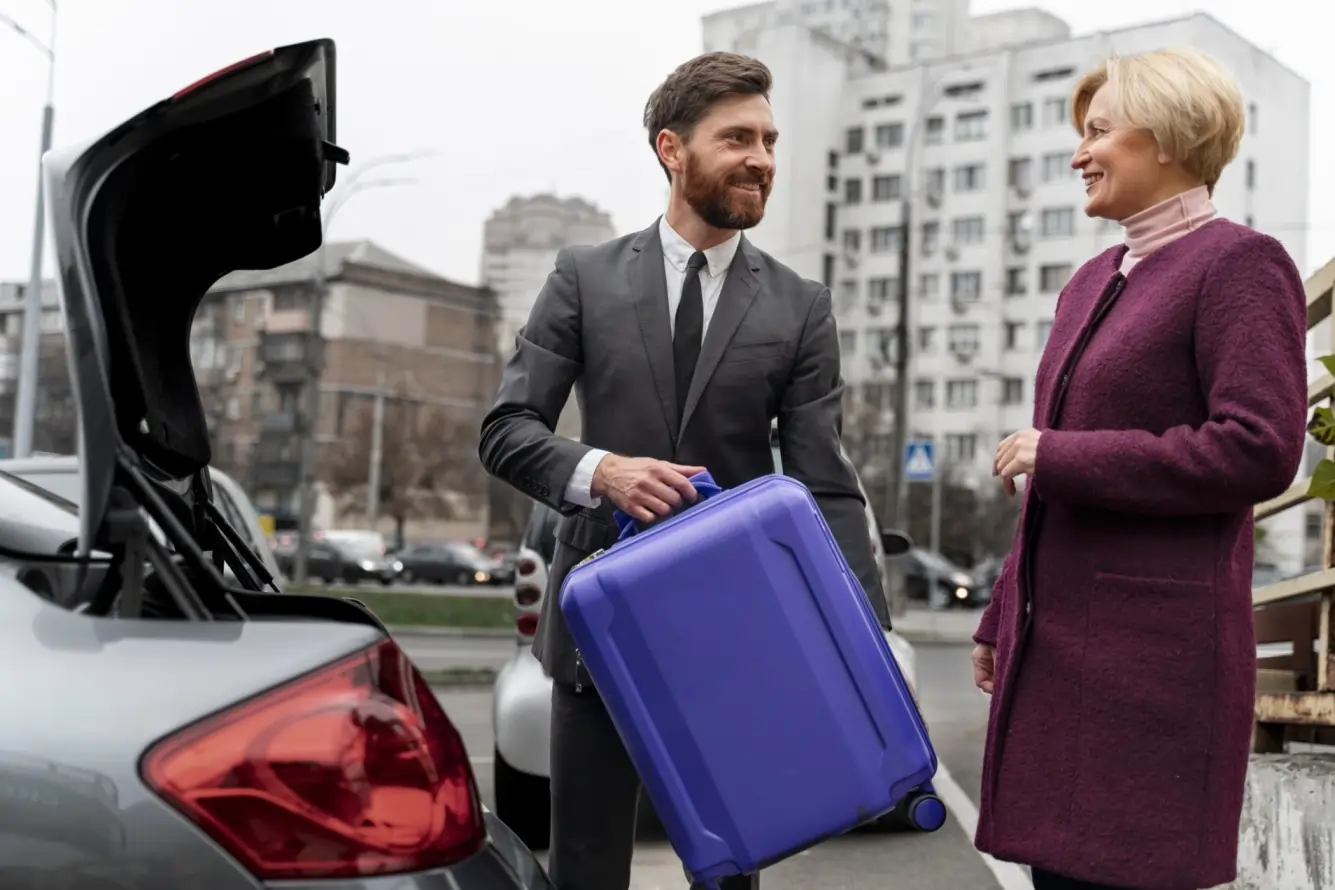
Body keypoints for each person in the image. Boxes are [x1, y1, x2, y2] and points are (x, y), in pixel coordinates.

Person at [478, 51, 887, 890]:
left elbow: (824, 478)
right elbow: (505, 430)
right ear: (672, 149)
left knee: (731, 866)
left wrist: (863, 637)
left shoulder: (799, 305)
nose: (762, 158)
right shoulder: (582, 278)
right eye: (737, 137)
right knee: (586, 870)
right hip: (601, 625)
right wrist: (603, 471)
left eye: (770, 140)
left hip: (731, 632)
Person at [970, 47, 1308, 890]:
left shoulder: (1240, 263)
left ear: (1165, 136)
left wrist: (1061, 455)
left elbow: (1258, 445)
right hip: (1062, 649)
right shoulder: (1089, 279)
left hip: (1152, 670)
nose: (1077, 153)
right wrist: (1000, 609)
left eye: (1098, 131)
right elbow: (1053, 477)